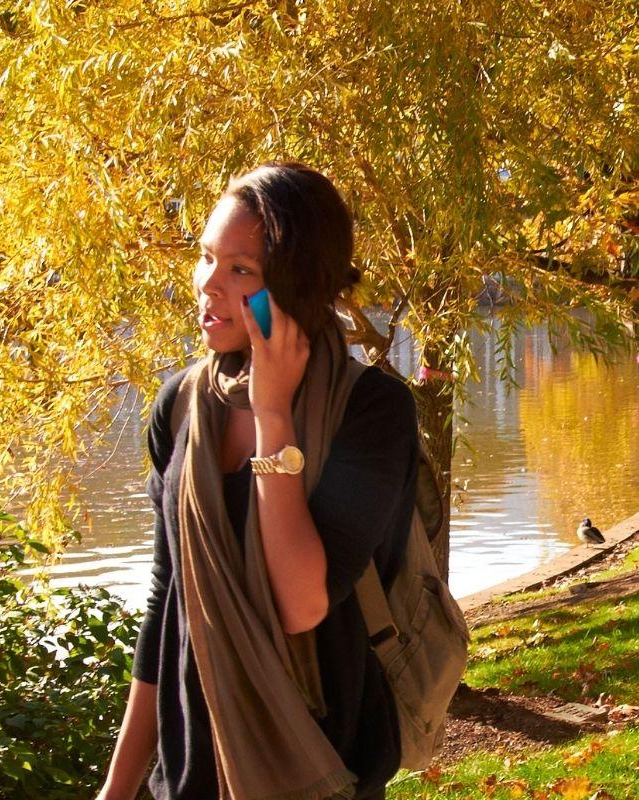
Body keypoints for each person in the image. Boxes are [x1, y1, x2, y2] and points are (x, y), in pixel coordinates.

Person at [98, 162, 418, 800]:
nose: (209, 284)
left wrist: (273, 416)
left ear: (295, 287)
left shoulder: (372, 411)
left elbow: (302, 604)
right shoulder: (180, 406)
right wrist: (117, 788)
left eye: (241, 270)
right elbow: (170, 605)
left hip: (322, 767)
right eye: (207, 257)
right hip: (191, 772)